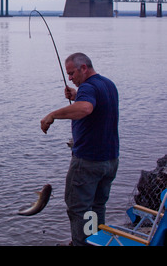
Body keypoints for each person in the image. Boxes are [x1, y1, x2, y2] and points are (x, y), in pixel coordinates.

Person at [40, 52, 119, 246]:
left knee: (78, 209)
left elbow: (85, 109)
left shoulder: (88, 87)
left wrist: (53, 115)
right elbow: (95, 106)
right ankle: (94, 241)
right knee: (96, 207)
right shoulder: (107, 84)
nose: (70, 78)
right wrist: (77, 96)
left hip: (88, 162)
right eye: (67, 74)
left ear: (84, 68)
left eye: (72, 73)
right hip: (110, 161)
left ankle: (81, 243)